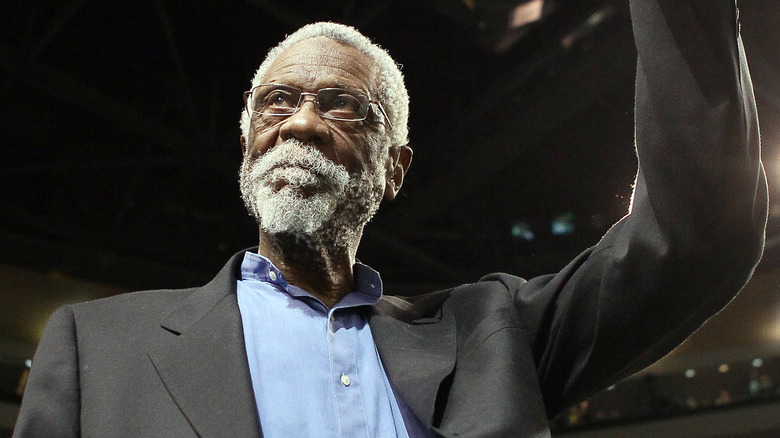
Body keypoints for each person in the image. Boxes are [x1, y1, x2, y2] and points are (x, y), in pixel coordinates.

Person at [13, 0, 768, 436]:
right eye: (278, 101)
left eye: (342, 105)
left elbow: (701, 235)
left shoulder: (494, 336)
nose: (302, 124)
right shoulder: (97, 349)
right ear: (248, 143)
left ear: (394, 169)